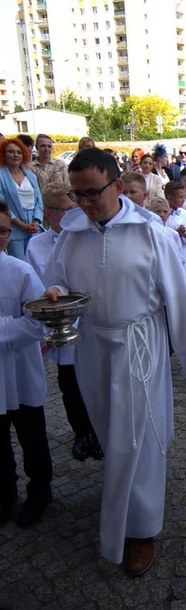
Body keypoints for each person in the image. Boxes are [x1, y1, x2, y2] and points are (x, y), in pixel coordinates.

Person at [43, 148, 186, 575]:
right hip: (91, 348)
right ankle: (122, 499)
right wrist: (55, 295)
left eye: (92, 193)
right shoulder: (72, 233)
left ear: (118, 186)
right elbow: (57, 280)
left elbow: (179, 295)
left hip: (139, 345)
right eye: (77, 195)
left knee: (138, 439)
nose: (84, 203)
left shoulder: (151, 233)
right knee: (109, 431)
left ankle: (141, 529)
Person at [25, 181, 100, 462]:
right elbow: (35, 287)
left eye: (74, 207)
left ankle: (100, 431)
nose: (72, 213)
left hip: (90, 320)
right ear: (47, 212)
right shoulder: (36, 245)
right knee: (69, 384)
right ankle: (81, 433)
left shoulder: (86, 237)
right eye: (64, 209)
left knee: (96, 379)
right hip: (61, 324)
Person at [0, 199, 53, 528]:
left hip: (19, 368)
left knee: (31, 434)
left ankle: (40, 490)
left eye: (3, 231)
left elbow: (38, 323)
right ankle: (5, 493)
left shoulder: (19, 271)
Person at [0, 137, 43, 259]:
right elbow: (2, 205)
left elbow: (39, 201)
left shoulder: (30, 175)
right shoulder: (1, 176)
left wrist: (36, 221)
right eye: (11, 151)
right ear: (3, 154)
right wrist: (22, 225)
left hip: (34, 228)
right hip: (14, 227)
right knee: (20, 264)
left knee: (36, 263)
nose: (15, 155)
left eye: (19, 152)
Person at [164, 181, 186, 283]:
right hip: (173, 254)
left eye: (184, 196)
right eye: (180, 197)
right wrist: (175, 233)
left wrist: (185, 233)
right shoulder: (163, 214)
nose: (183, 200)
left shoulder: (185, 213)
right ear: (169, 198)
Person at [149, 196, 186, 267]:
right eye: (158, 211)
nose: (162, 215)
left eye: (165, 212)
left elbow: (179, 256)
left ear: (169, 214)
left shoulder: (173, 234)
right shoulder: (147, 232)